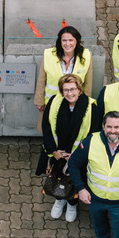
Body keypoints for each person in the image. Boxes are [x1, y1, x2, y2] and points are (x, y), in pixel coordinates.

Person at [38, 75, 100, 222]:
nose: (69, 93)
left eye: (73, 89)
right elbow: (46, 126)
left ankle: (72, 203)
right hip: (58, 153)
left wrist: (78, 155)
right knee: (57, 176)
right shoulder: (54, 102)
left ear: (79, 89)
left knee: (74, 180)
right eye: (66, 90)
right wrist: (53, 151)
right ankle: (59, 199)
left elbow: (94, 134)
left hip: (78, 156)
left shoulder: (92, 107)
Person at [35, 26, 93, 114]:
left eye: (71, 40)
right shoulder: (49, 54)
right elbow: (41, 80)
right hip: (52, 103)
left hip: (75, 104)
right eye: (64, 40)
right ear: (60, 41)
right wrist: (39, 100)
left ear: (76, 41)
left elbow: (88, 83)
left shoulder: (86, 55)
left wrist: (86, 102)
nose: (67, 43)